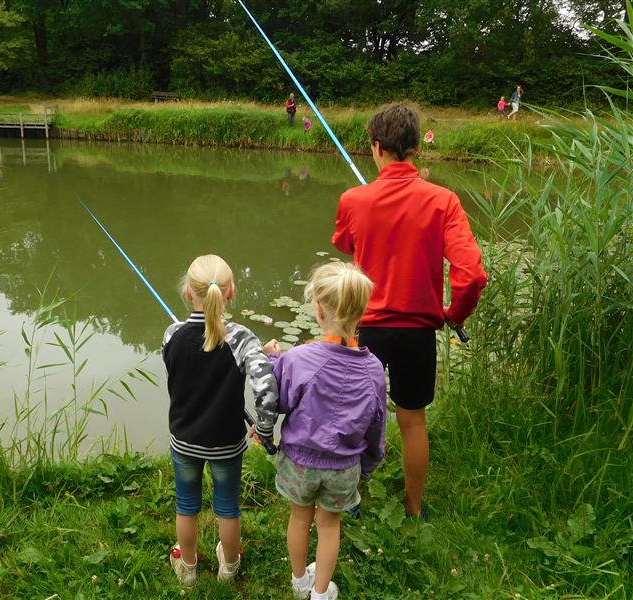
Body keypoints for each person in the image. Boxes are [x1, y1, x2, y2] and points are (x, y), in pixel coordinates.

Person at [332, 103, 487, 519]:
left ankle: (346, 501)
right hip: (418, 331)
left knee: (352, 414)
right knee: (413, 421)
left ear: (376, 147)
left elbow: (345, 244)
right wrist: (456, 314)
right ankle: (414, 509)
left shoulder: (353, 199)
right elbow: (471, 275)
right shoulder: (444, 201)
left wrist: (367, 211)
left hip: (367, 329)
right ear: (416, 148)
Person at [258, 261, 386, 600]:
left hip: (299, 462)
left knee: (299, 519)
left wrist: (272, 361)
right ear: (362, 312)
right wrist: (368, 465)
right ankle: (319, 593)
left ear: (318, 309)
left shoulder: (298, 358)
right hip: (344, 467)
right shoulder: (374, 370)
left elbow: (279, 400)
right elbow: (377, 426)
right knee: (330, 525)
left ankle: (300, 580)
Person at [162, 254, 279, 588]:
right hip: (226, 442)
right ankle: (229, 567)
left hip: (185, 439)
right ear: (230, 292)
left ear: (189, 292)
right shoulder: (242, 338)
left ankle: (188, 568)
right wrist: (264, 428)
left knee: (186, 505)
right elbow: (267, 388)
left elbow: (183, 368)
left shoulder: (171, 334)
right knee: (227, 507)